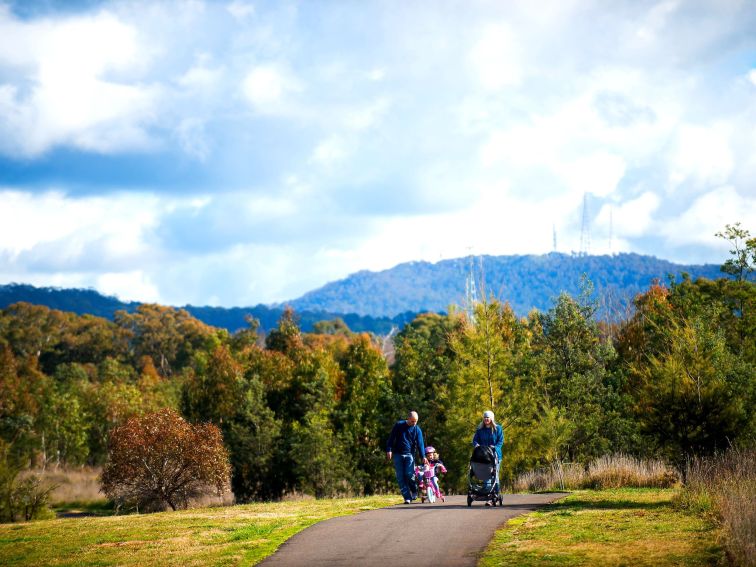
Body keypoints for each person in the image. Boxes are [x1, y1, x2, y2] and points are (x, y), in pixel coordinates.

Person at [386, 411, 427, 504]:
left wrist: (423, 456)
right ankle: (407, 497)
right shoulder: (399, 425)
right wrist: (389, 449)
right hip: (397, 454)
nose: (414, 423)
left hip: (410, 455)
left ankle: (414, 490)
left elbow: (420, 444)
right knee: (400, 477)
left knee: (409, 474)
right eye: (412, 421)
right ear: (408, 419)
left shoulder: (417, 429)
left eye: (416, 421)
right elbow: (391, 438)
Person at [472, 410, 504, 505]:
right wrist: (477, 445)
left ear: (492, 419)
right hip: (483, 456)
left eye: (488, 417)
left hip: (495, 455)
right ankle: (487, 496)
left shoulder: (498, 429)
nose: (486, 419)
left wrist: (495, 447)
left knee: (495, 476)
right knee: (486, 476)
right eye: (485, 417)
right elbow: (475, 440)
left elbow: (500, 441)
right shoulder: (480, 430)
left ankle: (495, 494)